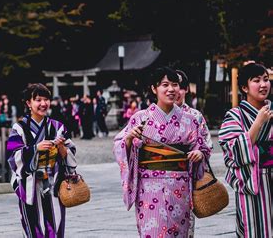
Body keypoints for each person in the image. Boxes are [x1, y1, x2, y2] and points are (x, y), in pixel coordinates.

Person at [113, 66, 211, 237]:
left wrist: (200, 154)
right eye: (165, 85)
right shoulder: (140, 118)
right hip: (149, 187)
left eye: (175, 85)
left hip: (179, 186)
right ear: (154, 88)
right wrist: (128, 139)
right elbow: (120, 144)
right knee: (153, 230)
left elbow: (202, 147)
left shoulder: (191, 120)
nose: (171, 89)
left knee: (179, 232)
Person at [7, 83, 77, 238]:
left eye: (46, 99)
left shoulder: (57, 127)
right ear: (28, 103)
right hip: (30, 185)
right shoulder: (19, 128)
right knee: (33, 228)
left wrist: (62, 148)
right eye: (38, 100)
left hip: (54, 185)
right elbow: (13, 156)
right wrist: (35, 148)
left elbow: (71, 154)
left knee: (55, 226)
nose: (43, 104)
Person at [218, 63, 272, 237]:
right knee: (255, 229)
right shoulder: (234, 116)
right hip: (254, 183)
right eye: (256, 80)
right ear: (244, 87)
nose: (263, 84)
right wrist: (258, 123)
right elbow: (233, 152)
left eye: (266, 79)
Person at [175, 69, 213, 238]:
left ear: (186, 89)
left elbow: (207, 144)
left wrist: (200, 153)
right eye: (167, 85)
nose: (175, 91)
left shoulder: (195, 117)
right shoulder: (149, 116)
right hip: (157, 183)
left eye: (180, 87)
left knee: (185, 228)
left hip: (187, 179)